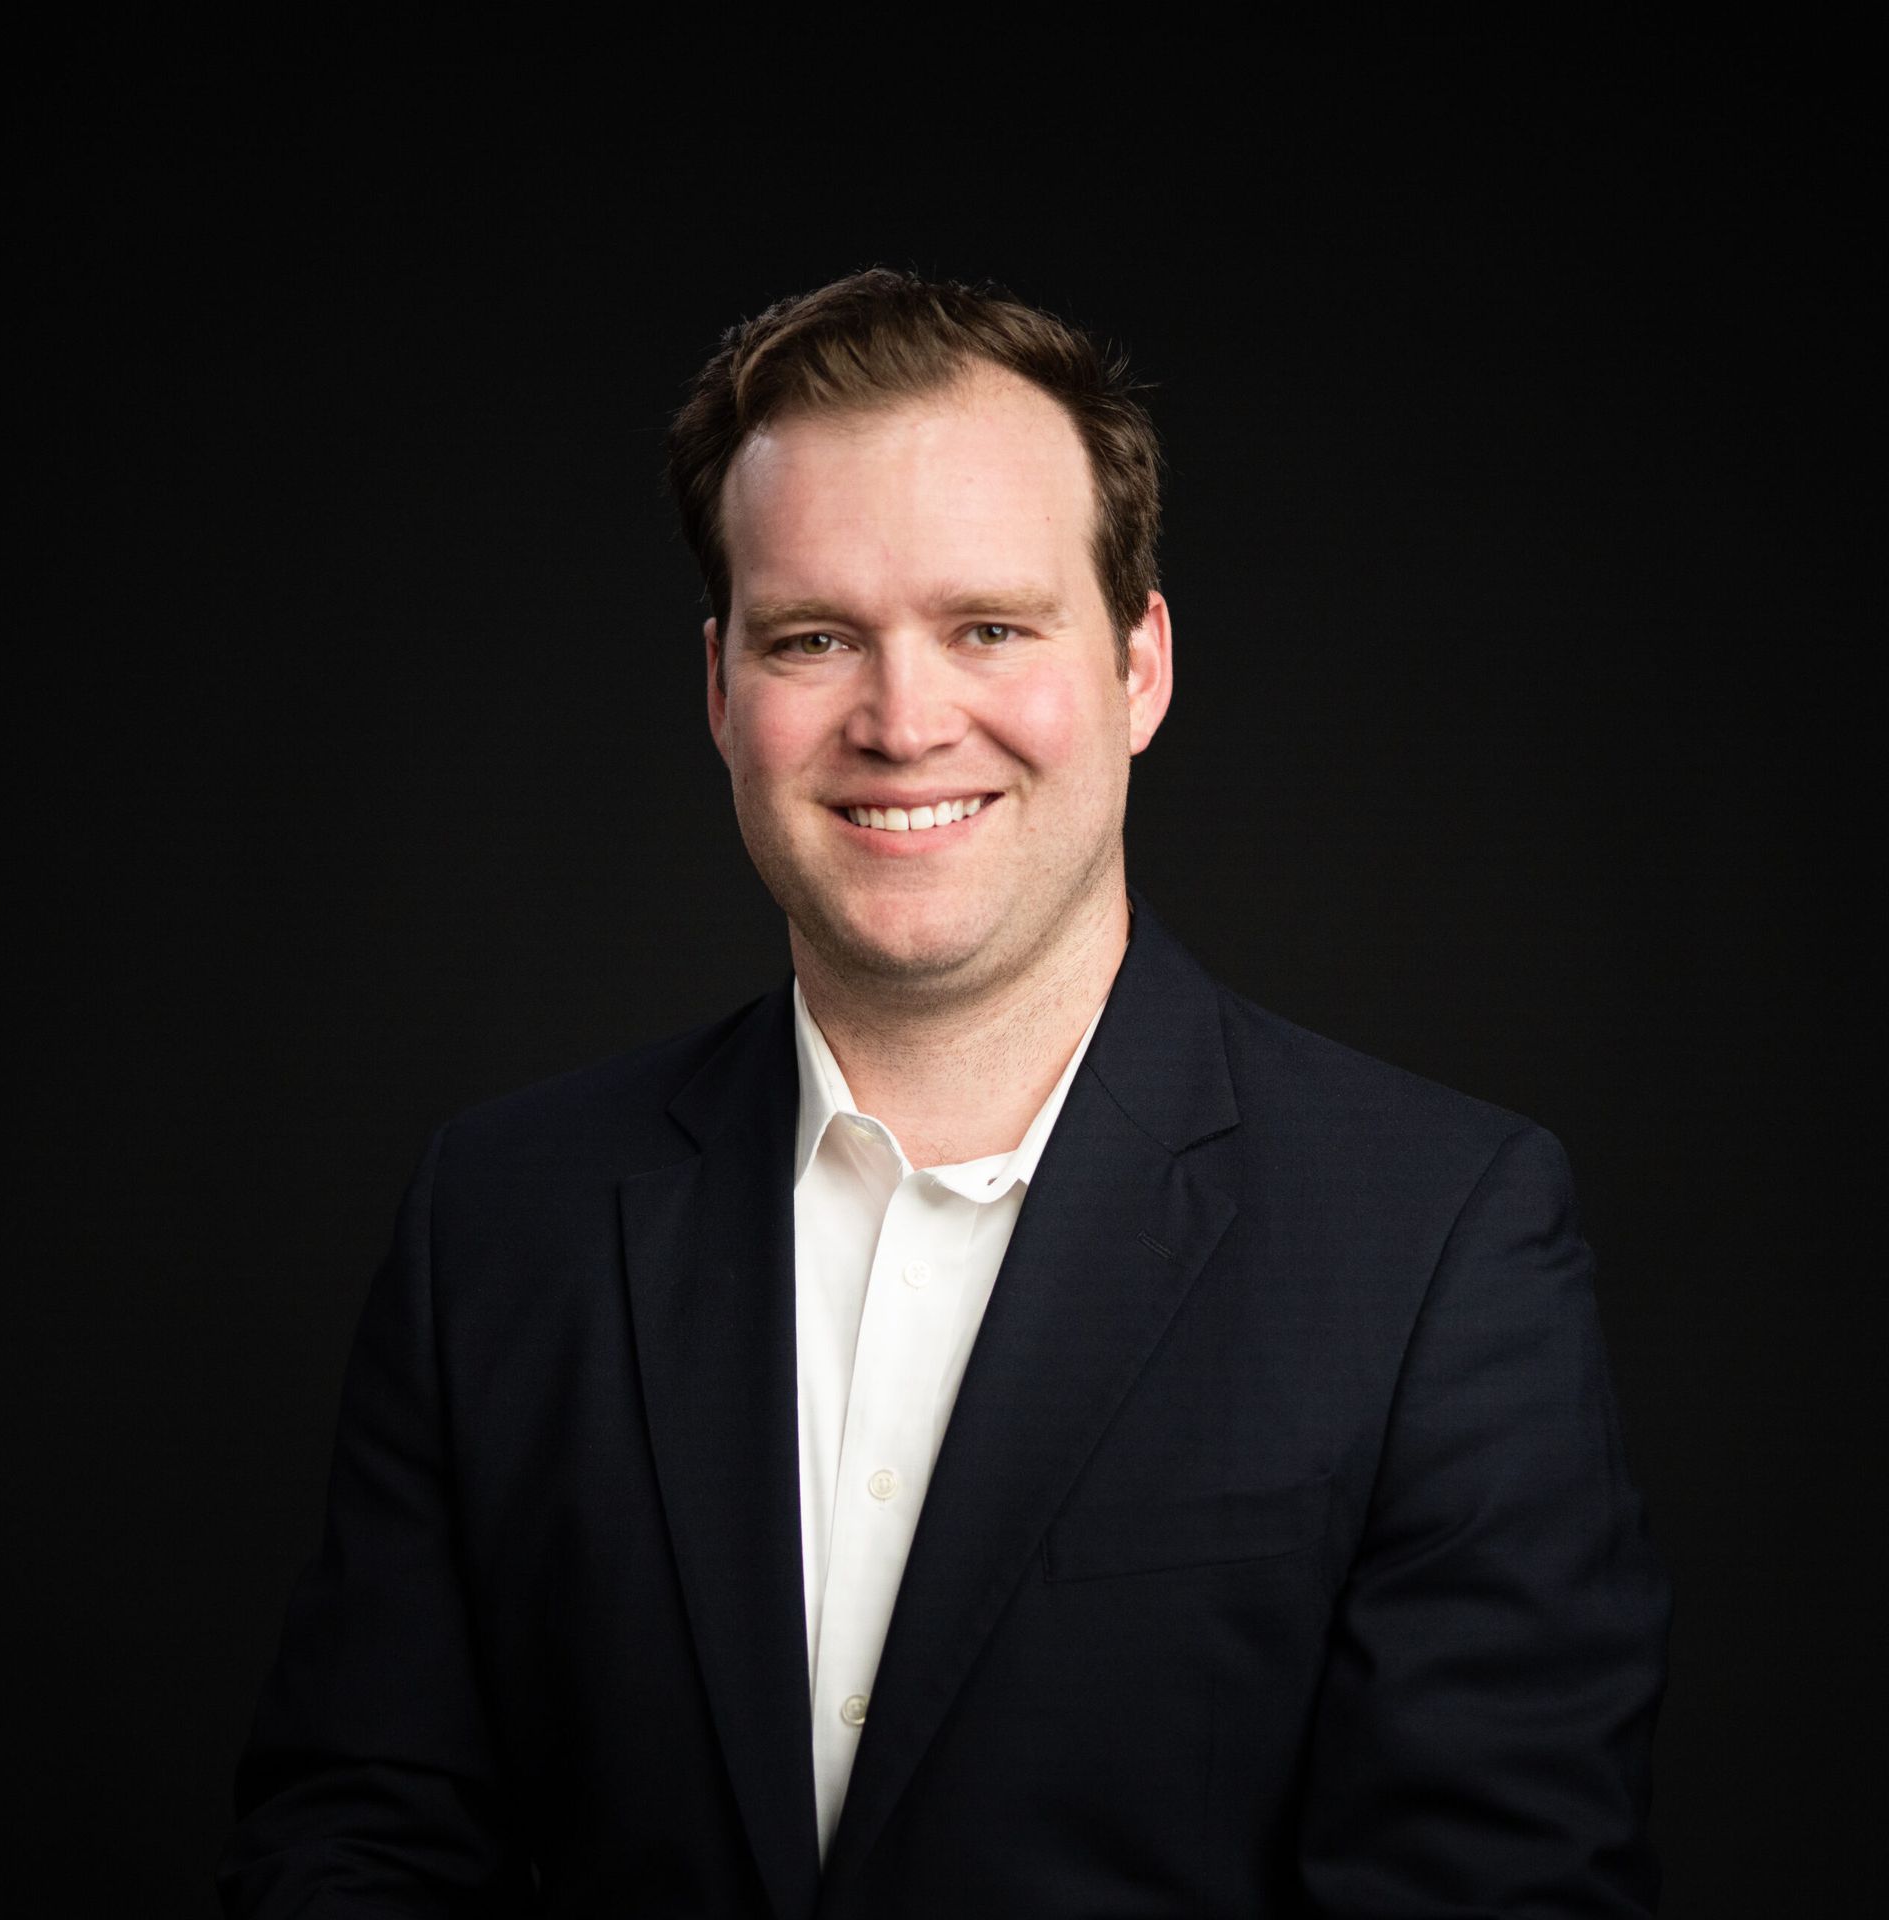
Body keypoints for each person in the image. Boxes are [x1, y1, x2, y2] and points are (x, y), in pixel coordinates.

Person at [221, 269, 1670, 1917]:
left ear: (1140, 667)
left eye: (989, 626)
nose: (904, 722)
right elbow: (359, 1844)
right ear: (720, 690)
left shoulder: (1434, 1243)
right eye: (815, 638)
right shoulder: (499, 1221)